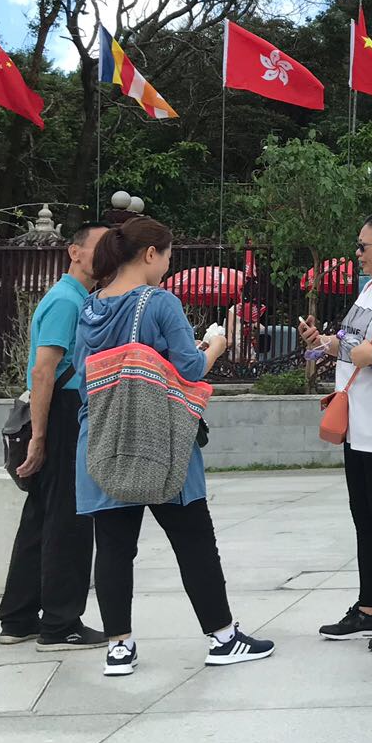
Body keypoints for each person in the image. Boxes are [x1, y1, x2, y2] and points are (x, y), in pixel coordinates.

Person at [77, 216, 275, 677]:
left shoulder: (90, 307)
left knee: (112, 547)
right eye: (167, 256)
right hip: (159, 437)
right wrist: (218, 343)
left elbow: (80, 375)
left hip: (102, 436)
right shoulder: (159, 302)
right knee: (193, 540)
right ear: (150, 254)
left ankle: (119, 648)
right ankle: (223, 637)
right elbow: (190, 368)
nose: (167, 266)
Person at [0, 221, 109, 651]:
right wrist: (41, 437)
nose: (105, 257)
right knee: (71, 520)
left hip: (58, 414)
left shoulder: (78, 298)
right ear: (74, 252)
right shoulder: (67, 301)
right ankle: (61, 624)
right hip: (61, 415)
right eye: (98, 248)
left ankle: (19, 618)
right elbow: (45, 370)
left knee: (40, 519)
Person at [302, 212, 372, 650]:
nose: (358, 253)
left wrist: (354, 348)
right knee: (363, 518)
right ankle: (368, 607)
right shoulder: (367, 290)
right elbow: (353, 342)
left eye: (364, 246)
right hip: (355, 422)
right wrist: (324, 341)